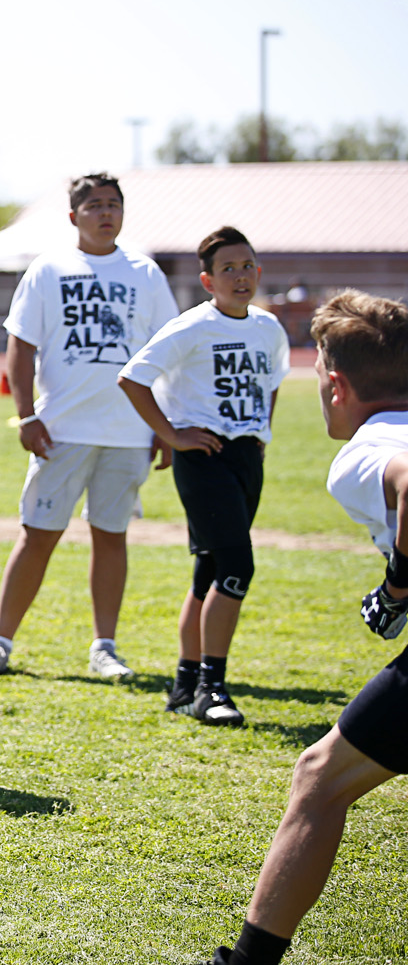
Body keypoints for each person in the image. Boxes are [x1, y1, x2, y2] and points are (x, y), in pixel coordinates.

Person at [196, 291, 408, 965]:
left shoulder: (365, 450)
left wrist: (396, 586)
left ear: (337, 384)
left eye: (316, 372)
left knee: (320, 778)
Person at [0, 173, 178, 680]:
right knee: (37, 535)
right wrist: (27, 414)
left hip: (128, 432)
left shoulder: (145, 273)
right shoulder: (49, 269)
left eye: (114, 205)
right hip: (61, 430)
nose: (106, 214)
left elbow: (167, 352)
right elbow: (21, 345)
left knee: (111, 535)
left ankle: (105, 648)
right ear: (73, 215)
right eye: (96, 205)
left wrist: (165, 428)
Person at [117, 227, 288, 726]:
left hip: (244, 457)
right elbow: (132, 379)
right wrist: (171, 435)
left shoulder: (268, 327)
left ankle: (185, 681)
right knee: (238, 567)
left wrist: (261, 431)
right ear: (208, 280)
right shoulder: (191, 327)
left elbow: (272, 382)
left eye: (247, 266)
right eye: (228, 268)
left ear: (258, 272)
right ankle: (212, 687)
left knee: (210, 571)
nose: (240, 276)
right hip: (203, 456)